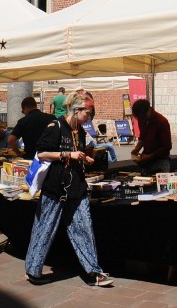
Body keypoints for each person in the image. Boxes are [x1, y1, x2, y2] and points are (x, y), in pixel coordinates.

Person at [25, 92, 113, 287]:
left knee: (84, 229)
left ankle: (93, 272)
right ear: (76, 110)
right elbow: (42, 153)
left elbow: (77, 153)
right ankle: (33, 270)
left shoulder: (79, 130)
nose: (89, 117)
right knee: (44, 229)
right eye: (87, 113)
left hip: (76, 188)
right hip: (55, 188)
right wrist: (68, 154)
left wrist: (85, 158)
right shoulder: (55, 126)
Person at [130, 99, 172, 175]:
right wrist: (136, 149)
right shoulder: (141, 119)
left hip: (160, 162)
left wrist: (150, 156)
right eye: (139, 118)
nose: (141, 119)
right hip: (146, 162)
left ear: (149, 110)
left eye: (143, 117)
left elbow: (167, 147)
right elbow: (143, 137)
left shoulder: (162, 122)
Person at [8, 96, 55, 160]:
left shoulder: (23, 121)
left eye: (23, 111)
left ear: (26, 108)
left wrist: (18, 153)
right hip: (49, 157)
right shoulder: (51, 118)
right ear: (35, 105)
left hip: (30, 157)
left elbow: (10, 140)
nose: (24, 113)